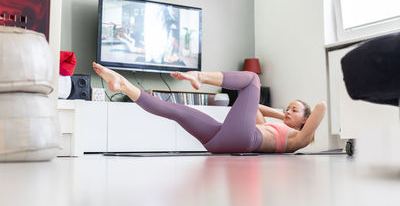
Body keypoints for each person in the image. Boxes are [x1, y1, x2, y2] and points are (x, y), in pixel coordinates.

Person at [92, 62, 326, 153]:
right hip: (218, 142)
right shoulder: (270, 126)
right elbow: (255, 107)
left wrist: (301, 121)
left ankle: (200, 76)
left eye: (294, 110)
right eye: (288, 108)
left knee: (253, 80)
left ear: (305, 119)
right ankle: (124, 85)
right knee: (175, 110)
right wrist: (282, 114)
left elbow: (320, 108)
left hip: (245, 139)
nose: (287, 112)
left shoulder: (298, 139)